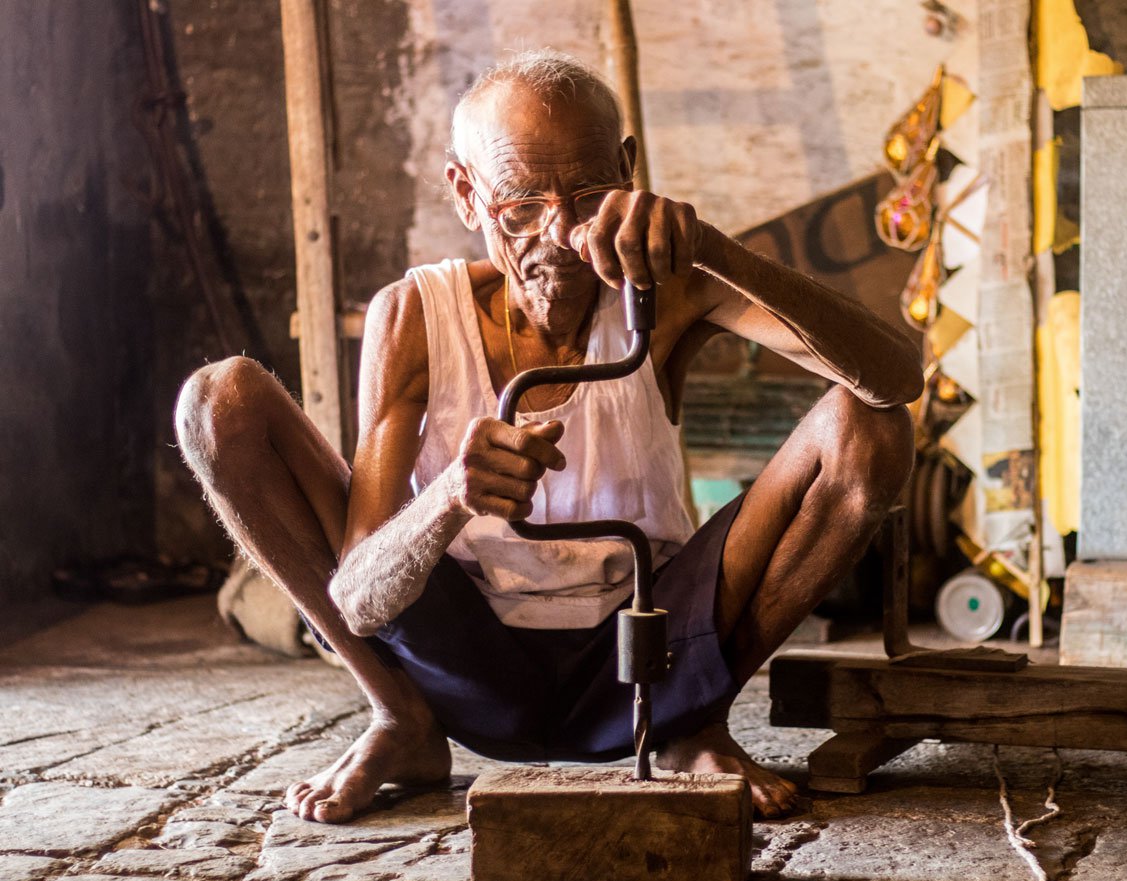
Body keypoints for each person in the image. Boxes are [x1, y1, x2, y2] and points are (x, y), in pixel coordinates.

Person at [176, 50, 921, 823]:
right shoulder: (414, 315)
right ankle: (402, 717)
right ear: (466, 195)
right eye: (522, 203)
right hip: (470, 666)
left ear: (629, 171)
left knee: (869, 427)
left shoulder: (668, 290)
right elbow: (360, 598)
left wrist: (712, 249)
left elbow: (894, 380)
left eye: (591, 195)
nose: (562, 232)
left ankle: (692, 720)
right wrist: (446, 501)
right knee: (218, 401)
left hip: (649, 650)